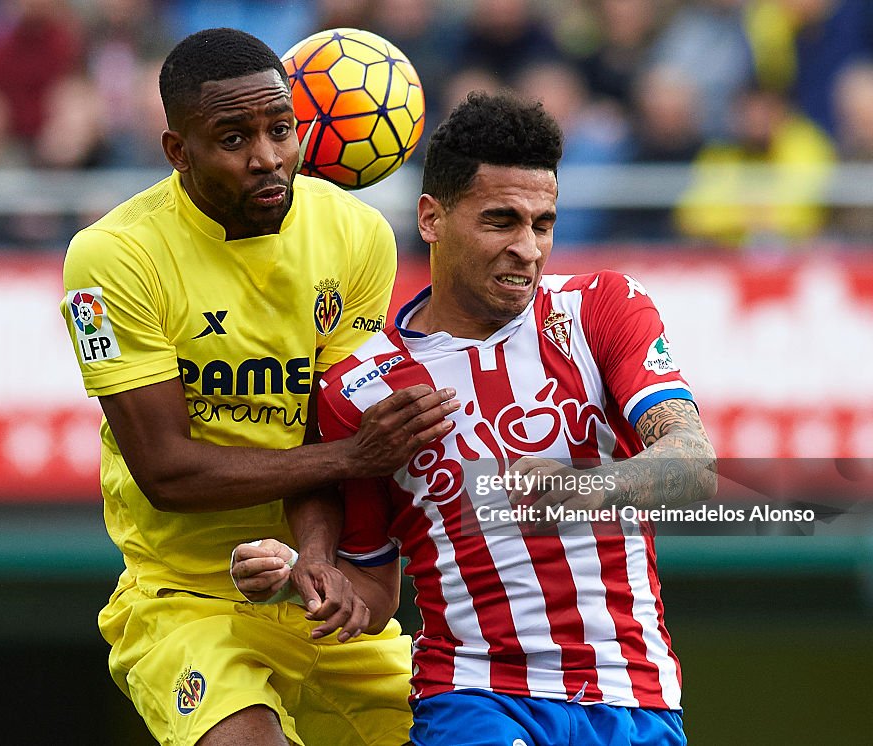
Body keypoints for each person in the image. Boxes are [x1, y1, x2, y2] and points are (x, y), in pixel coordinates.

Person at [232, 92, 718, 746]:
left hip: (633, 693)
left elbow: (693, 462)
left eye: (542, 224)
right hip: (472, 696)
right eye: (501, 221)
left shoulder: (602, 309)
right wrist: (306, 581)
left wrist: (582, 488)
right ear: (431, 218)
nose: (527, 248)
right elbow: (373, 594)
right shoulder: (356, 386)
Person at [59, 28, 457, 746]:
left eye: (281, 129)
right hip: (184, 600)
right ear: (178, 151)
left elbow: (322, 424)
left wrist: (315, 554)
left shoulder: (357, 234)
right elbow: (167, 473)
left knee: (471, 729)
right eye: (234, 138)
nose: (268, 157)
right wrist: (352, 458)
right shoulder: (112, 258)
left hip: (310, 589)